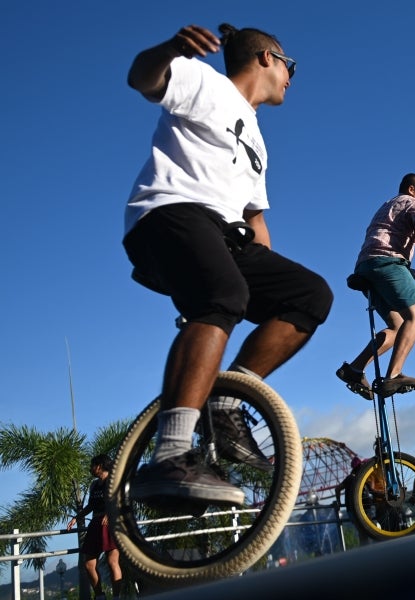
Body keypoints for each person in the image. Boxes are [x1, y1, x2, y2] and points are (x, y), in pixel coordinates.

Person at [122, 23, 333, 506]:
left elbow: (254, 220)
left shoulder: (258, 139)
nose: (290, 78)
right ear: (265, 58)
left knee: (310, 294)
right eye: (289, 66)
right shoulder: (207, 84)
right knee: (223, 296)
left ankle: (226, 400)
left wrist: (269, 272)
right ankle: (170, 454)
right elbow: (141, 77)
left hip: (226, 234)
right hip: (168, 212)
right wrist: (172, 49)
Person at [336, 173, 415, 399]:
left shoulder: (389, 206)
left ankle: (354, 369)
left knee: (397, 327)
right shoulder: (412, 202)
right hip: (389, 263)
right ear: (412, 190)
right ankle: (393, 376)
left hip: (366, 267)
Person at [67, 455, 122, 600]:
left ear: (100, 466)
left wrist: (110, 513)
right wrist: (76, 517)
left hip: (111, 523)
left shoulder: (114, 481)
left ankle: (116, 597)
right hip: (96, 523)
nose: (91, 468)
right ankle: (100, 596)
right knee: (89, 564)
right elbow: (91, 505)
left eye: (93, 465)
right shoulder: (94, 485)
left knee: (112, 562)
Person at [333, 456, 372, 546]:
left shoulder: (350, 478)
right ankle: (368, 552)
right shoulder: (358, 478)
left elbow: (337, 489)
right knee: (366, 532)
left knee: (363, 533)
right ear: (360, 466)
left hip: (353, 510)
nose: (365, 465)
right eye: (363, 464)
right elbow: (337, 489)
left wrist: (339, 502)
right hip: (362, 509)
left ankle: (365, 552)